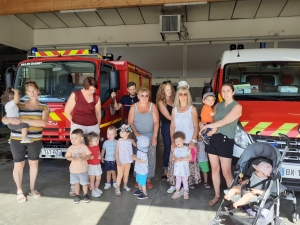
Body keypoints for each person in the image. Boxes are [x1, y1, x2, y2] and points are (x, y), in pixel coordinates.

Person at [2, 80, 49, 202]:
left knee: (34, 164)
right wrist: (10, 120)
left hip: (35, 139)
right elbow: (5, 118)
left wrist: (26, 121)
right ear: (26, 92)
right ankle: (19, 191)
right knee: (19, 165)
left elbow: (43, 123)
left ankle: (32, 189)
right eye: (29, 91)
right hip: (16, 139)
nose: (32, 93)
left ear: (38, 91)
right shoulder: (19, 104)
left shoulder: (44, 107)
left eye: (34, 90)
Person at [199, 82, 242, 206]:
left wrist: (207, 127)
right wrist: (202, 124)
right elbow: (208, 118)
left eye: (228, 90)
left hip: (225, 140)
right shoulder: (218, 105)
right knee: (215, 168)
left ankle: (234, 200)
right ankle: (217, 195)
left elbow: (224, 122)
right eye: (223, 91)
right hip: (212, 139)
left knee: (226, 172)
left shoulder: (237, 107)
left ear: (233, 92)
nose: (225, 93)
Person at [64, 77, 101, 196]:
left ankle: (88, 182)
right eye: (90, 89)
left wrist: (98, 127)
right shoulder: (76, 95)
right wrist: (75, 123)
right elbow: (67, 111)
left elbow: (98, 113)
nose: (92, 92)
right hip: (78, 125)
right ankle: (74, 184)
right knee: (77, 152)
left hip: (92, 125)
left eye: (94, 89)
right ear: (84, 87)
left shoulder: (96, 97)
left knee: (91, 153)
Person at [168, 81, 201, 194]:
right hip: (177, 142)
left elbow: (196, 126)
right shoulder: (174, 109)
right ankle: (175, 184)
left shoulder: (192, 109)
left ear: (188, 95)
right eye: (181, 94)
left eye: (185, 94)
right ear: (178, 95)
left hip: (188, 142)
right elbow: (172, 126)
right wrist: (172, 141)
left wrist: (192, 141)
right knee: (176, 163)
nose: (183, 96)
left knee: (187, 166)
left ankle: (185, 186)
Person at [128, 86, 159, 189]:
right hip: (137, 137)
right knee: (137, 157)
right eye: (142, 96)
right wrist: (136, 134)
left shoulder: (152, 106)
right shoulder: (134, 107)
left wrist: (154, 136)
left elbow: (156, 121)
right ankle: (138, 178)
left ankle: (148, 178)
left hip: (150, 136)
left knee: (150, 157)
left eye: (146, 96)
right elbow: (130, 122)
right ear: (138, 96)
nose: (144, 98)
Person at [65, 129, 93, 203]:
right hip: (73, 170)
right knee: (76, 184)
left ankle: (85, 194)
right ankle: (77, 195)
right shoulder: (70, 148)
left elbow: (89, 156)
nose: (73, 140)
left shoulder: (84, 147)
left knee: (84, 183)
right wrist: (72, 158)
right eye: (72, 138)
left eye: (75, 138)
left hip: (83, 169)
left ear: (81, 138)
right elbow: (67, 157)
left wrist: (84, 158)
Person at [156, 81, 175, 181]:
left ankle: (175, 170)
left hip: (176, 126)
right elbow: (168, 116)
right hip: (167, 126)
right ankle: (165, 171)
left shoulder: (175, 100)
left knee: (177, 148)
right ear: (162, 91)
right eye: (167, 89)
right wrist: (181, 119)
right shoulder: (161, 102)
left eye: (170, 89)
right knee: (168, 148)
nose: (170, 91)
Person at [115, 124, 136, 196]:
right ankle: (117, 188)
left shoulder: (130, 140)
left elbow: (136, 145)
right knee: (120, 175)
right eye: (120, 131)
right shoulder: (119, 141)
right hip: (121, 161)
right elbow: (117, 151)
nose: (120, 133)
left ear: (128, 133)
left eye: (122, 132)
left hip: (128, 161)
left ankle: (125, 186)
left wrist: (133, 139)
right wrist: (117, 160)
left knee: (126, 175)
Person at [171, 131, 191, 200]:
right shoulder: (175, 149)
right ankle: (177, 192)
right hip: (177, 169)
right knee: (178, 180)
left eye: (179, 140)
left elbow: (190, 157)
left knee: (185, 181)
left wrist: (183, 159)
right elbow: (172, 157)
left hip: (184, 169)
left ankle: (186, 192)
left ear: (184, 140)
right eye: (176, 141)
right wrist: (175, 158)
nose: (178, 142)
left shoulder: (187, 149)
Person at [132, 135, 150, 200]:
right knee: (139, 181)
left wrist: (135, 159)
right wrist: (135, 156)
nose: (137, 143)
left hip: (142, 171)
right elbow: (138, 156)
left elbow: (143, 161)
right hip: (139, 169)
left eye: (138, 142)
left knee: (143, 183)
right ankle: (140, 190)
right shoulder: (140, 151)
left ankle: (145, 194)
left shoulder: (144, 153)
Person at [85, 132, 102, 198]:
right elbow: (85, 156)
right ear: (90, 142)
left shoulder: (97, 146)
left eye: (98, 140)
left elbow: (99, 153)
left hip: (98, 165)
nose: (98, 142)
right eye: (96, 141)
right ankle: (93, 191)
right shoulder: (87, 148)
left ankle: (96, 188)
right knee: (92, 179)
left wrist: (100, 156)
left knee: (98, 178)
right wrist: (89, 157)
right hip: (91, 166)